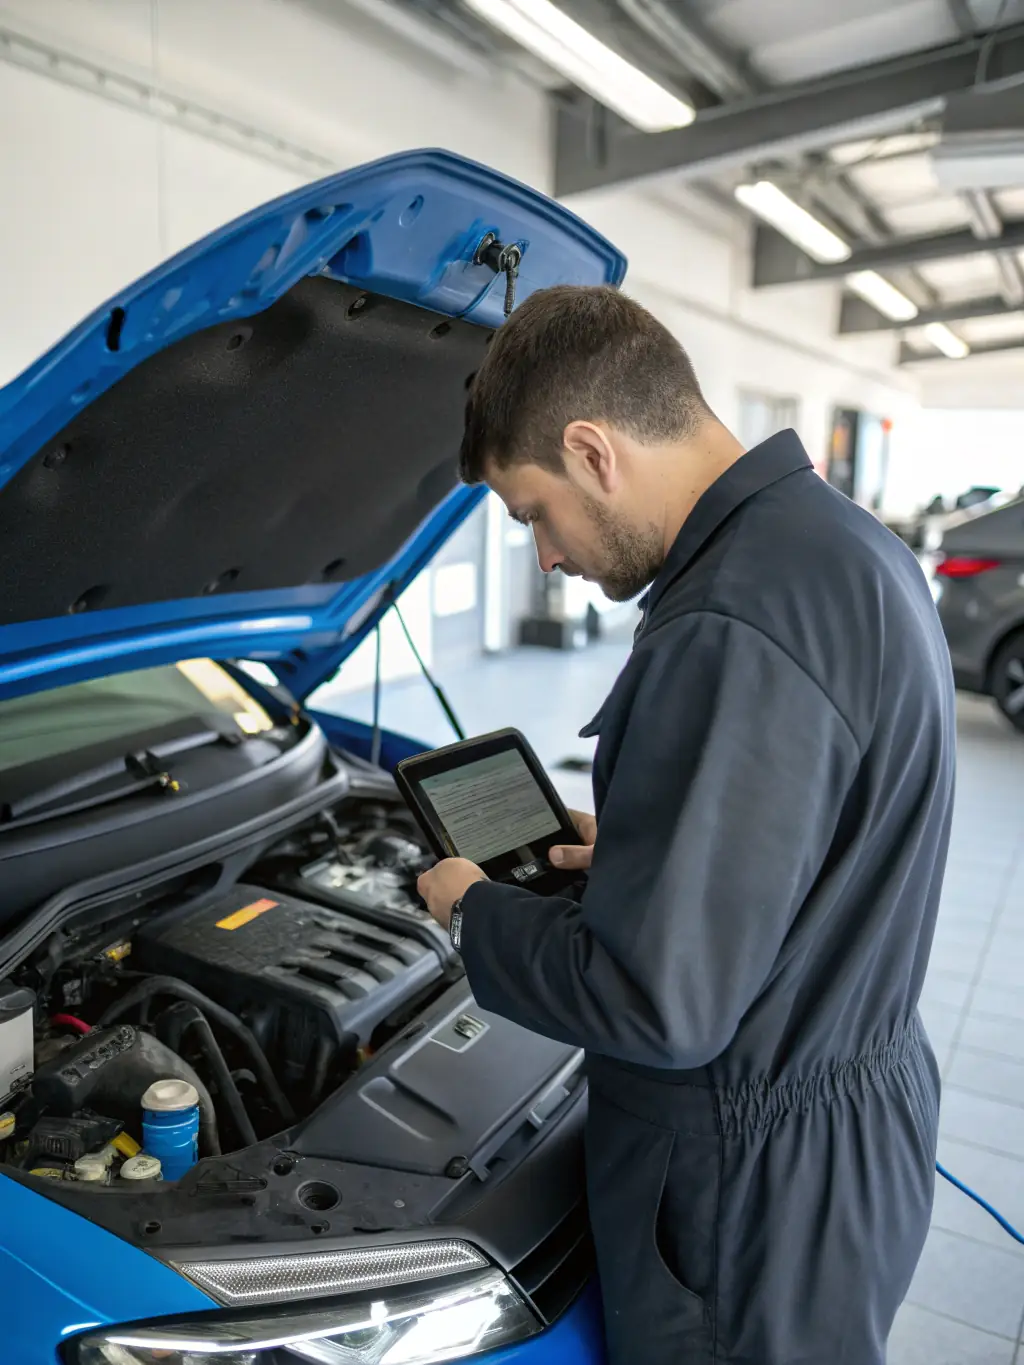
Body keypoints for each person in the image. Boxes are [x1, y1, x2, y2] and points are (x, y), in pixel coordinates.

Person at [416, 285, 954, 1365]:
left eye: (531, 515)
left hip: (750, 1186)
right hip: (850, 1125)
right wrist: (658, 855)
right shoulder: (842, 547)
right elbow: (827, 835)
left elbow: (659, 1006)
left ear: (591, 450)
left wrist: (475, 910)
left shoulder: (726, 624)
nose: (547, 558)